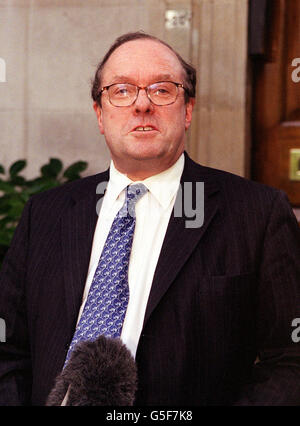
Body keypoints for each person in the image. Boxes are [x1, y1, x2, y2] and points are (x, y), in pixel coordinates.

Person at [0, 31, 299, 406]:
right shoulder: (45, 214)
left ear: (187, 110)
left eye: (162, 90)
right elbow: (8, 351)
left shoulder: (257, 214)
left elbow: (289, 360)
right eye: (122, 91)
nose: (142, 105)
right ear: (100, 115)